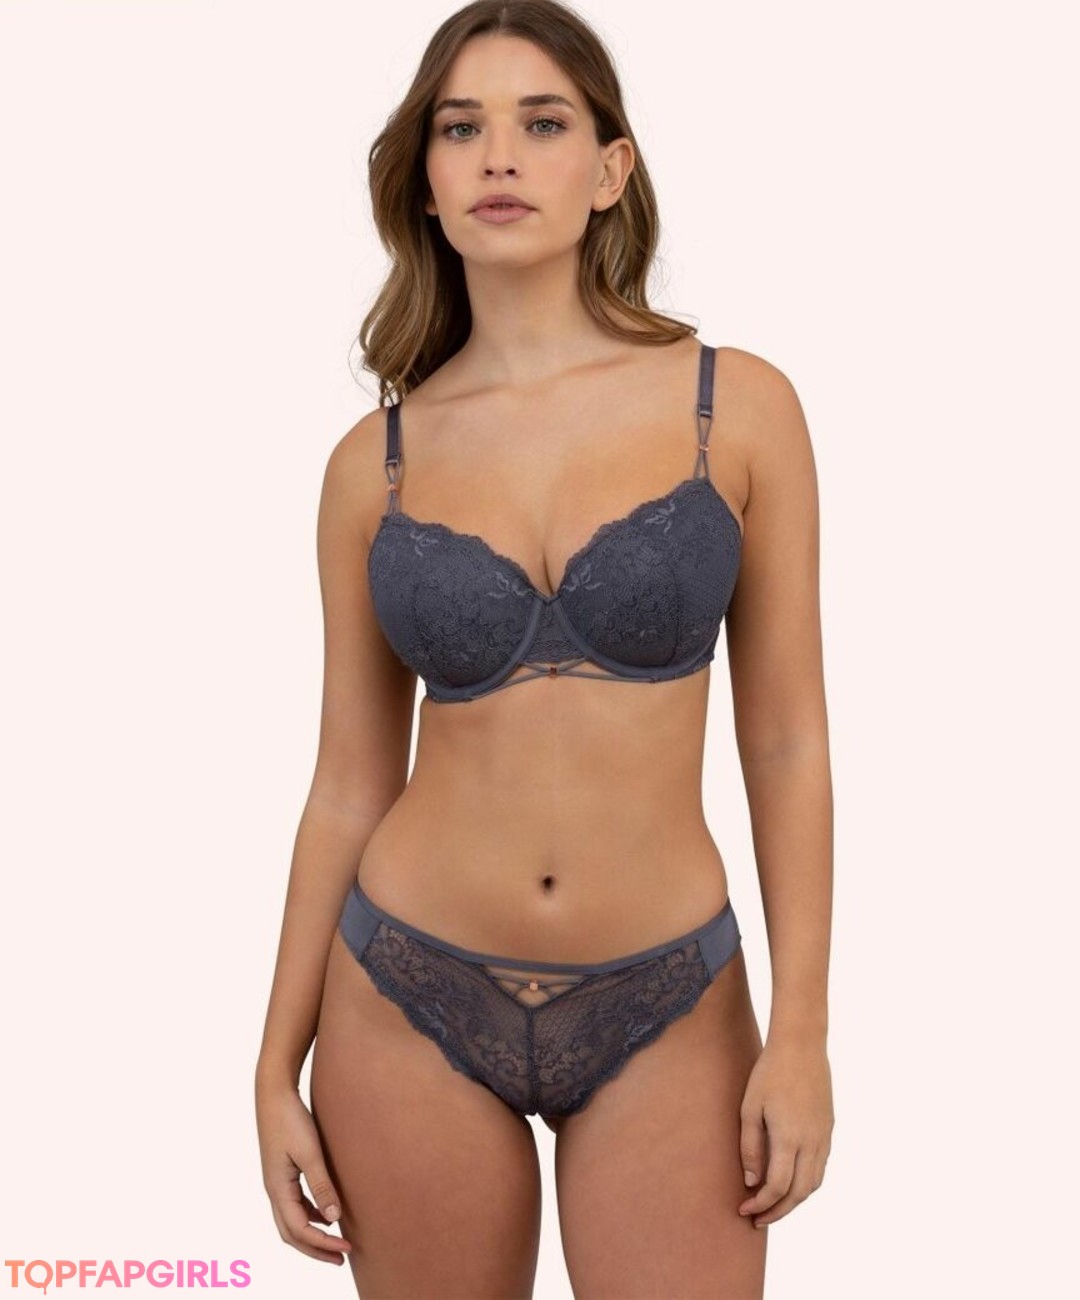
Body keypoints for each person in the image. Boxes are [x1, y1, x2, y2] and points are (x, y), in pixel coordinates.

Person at [255, 2, 834, 1296]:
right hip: (404, 990)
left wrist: (802, 1029)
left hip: (670, 997)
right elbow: (348, 782)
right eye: (462, 128)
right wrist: (272, 1062)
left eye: (544, 123)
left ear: (611, 169)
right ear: (427, 181)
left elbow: (788, 738)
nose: (501, 157)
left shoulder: (737, 408)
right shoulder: (371, 468)